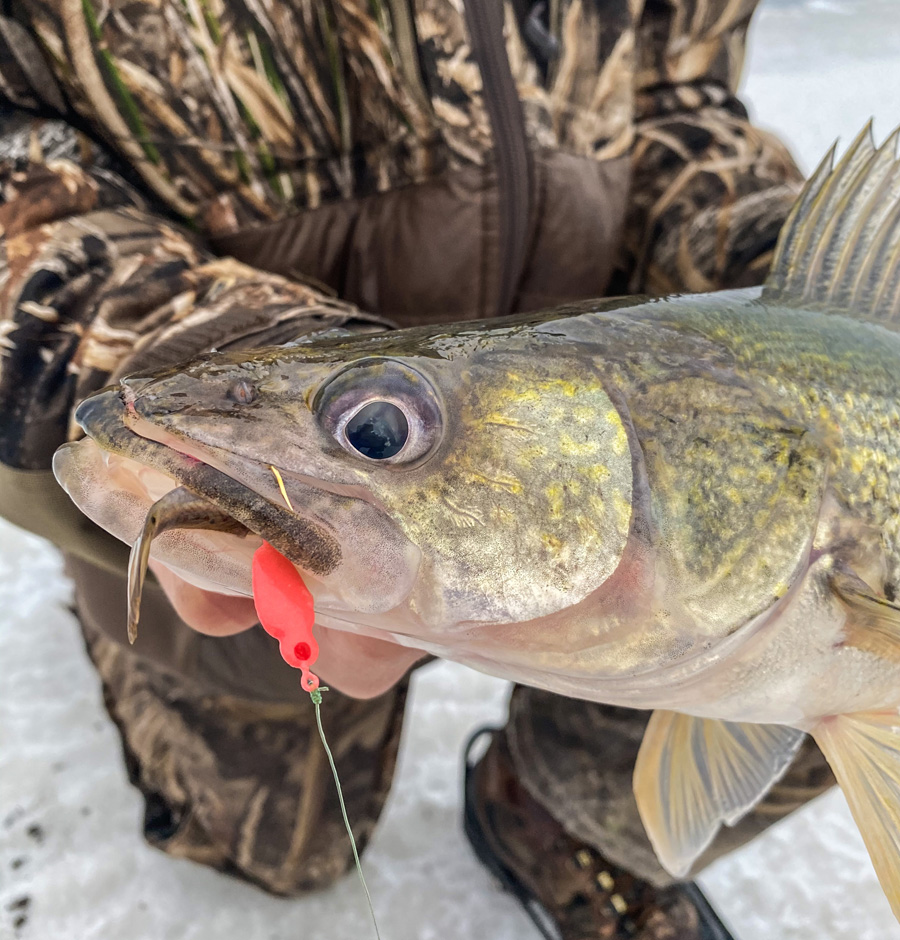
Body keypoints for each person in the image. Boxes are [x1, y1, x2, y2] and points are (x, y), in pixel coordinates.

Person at [0, 1, 835, 936]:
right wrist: (201, 351)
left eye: (381, 429)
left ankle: (552, 818)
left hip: (612, 472)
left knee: (813, 663)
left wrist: (783, 306)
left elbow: (679, 102)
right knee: (275, 852)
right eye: (382, 429)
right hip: (253, 552)